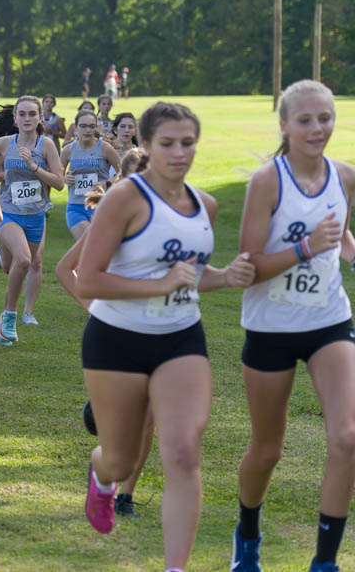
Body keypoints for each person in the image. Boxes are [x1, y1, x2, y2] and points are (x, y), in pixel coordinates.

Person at [75, 101, 254, 570]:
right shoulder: (125, 198)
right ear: (147, 146)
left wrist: (225, 276)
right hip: (117, 338)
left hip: (180, 337)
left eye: (188, 143)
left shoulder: (205, 204)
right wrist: (158, 284)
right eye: (168, 144)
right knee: (121, 458)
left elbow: (190, 276)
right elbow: (86, 278)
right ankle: (101, 473)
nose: (180, 153)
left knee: (182, 451)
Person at [231, 80, 355, 572]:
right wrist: (306, 247)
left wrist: (346, 247)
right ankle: (247, 534)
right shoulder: (268, 182)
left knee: (347, 438)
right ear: (284, 125)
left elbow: (341, 236)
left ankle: (324, 562)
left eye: (324, 118)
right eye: (304, 120)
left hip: (329, 318)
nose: (316, 128)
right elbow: (249, 267)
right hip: (271, 326)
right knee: (267, 449)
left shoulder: (345, 176)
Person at [54, 148, 154, 518]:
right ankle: (106, 464)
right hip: (113, 330)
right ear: (121, 182)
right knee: (123, 419)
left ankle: (125, 495)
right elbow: (65, 270)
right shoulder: (105, 225)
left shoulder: (168, 223)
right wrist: (95, 309)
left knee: (150, 415)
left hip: (156, 328)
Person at [0, 96, 64, 340]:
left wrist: (34, 167)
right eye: (23, 114)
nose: (27, 118)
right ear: (15, 118)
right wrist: (1, 178)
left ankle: (1, 320)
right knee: (23, 260)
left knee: (15, 267)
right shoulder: (3, 144)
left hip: (35, 215)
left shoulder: (47, 145)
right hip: (7, 211)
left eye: (32, 114)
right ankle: (9, 318)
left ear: (40, 117)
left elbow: (60, 183)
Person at [60, 109, 122, 241]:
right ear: (76, 128)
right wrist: (65, 178)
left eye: (91, 126)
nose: (87, 130)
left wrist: (108, 183)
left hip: (100, 205)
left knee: (98, 250)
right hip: (75, 207)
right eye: (83, 126)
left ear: (96, 127)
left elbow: (123, 172)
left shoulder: (104, 148)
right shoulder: (68, 150)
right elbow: (57, 177)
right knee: (89, 244)